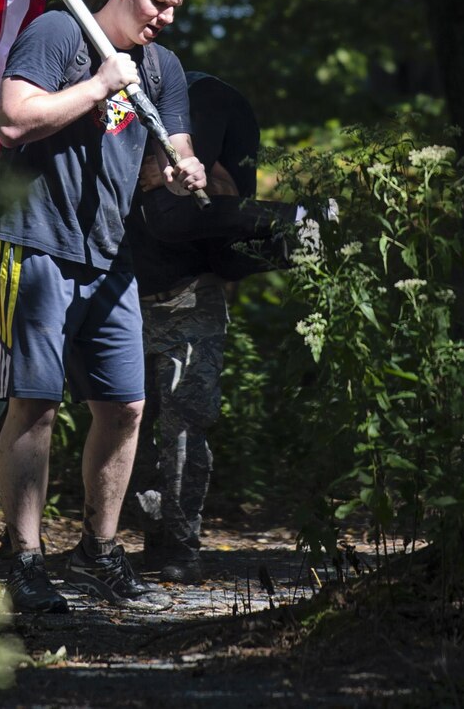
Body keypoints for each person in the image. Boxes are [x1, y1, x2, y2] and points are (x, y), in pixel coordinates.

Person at [0, 0, 207, 615]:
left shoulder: (162, 67)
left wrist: (179, 170)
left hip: (109, 256)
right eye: (157, 1)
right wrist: (97, 85)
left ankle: (97, 551)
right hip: (35, 242)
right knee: (37, 401)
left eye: (176, 7)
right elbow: (14, 117)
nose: (166, 17)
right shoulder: (60, 33)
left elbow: (167, 149)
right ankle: (23, 559)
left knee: (125, 406)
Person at [119, 73, 325, 583]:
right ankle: (152, 532)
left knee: (186, 426)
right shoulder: (126, 117)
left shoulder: (209, 109)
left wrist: (287, 222)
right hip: (120, 296)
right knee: (123, 426)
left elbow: (225, 218)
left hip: (188, 295)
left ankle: (178, 547)